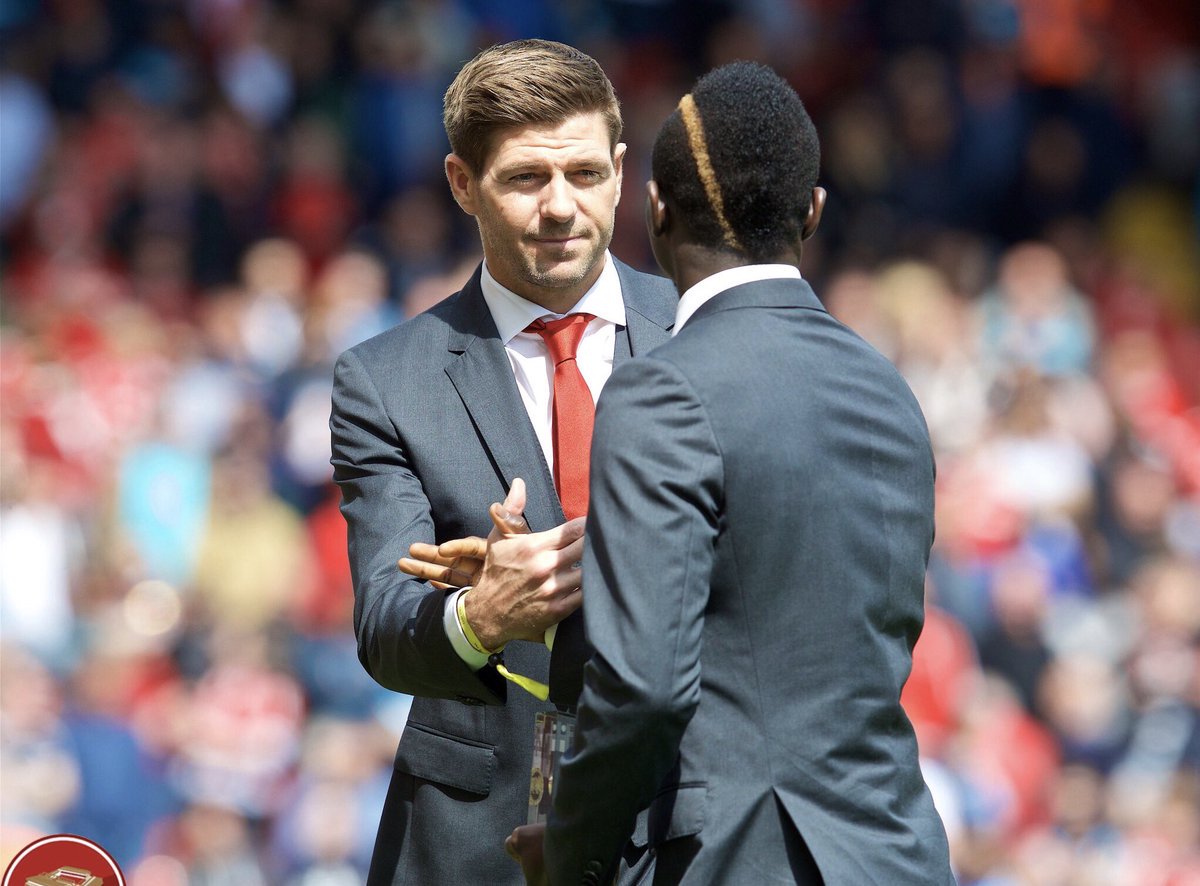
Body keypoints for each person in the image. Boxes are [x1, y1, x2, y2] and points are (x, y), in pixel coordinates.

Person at [507, 61, 956, 884]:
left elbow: (644, 686)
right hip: (898, 857)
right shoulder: (889, 391)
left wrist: (575, 845)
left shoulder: (662, 389)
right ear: (813, 212)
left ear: (654, 211)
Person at [329, 39, 677, 885]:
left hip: (687, 819)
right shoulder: (384, 380)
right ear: (461, 183)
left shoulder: (704, 332)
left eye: (586, 174)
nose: (561, 206)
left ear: (622, 171)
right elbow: (384, 623)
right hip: (477, 837)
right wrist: (480, 615)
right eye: (526, 178)